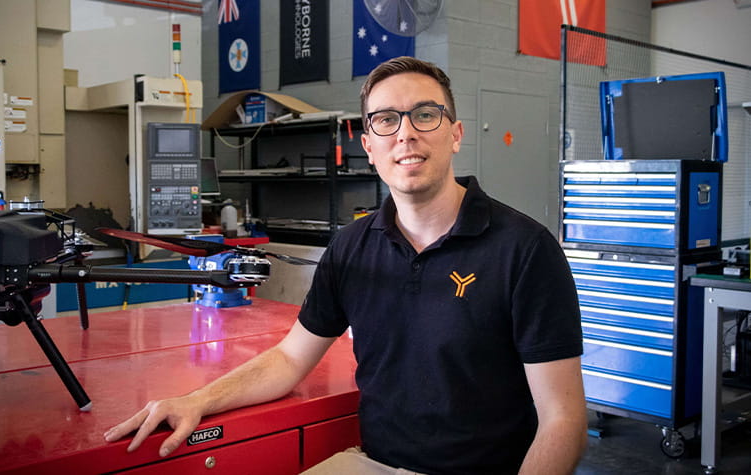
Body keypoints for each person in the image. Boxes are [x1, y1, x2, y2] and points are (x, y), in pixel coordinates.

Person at [105, 56, 587, 474]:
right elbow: (291, 359)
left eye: (425, 115)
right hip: (374, 463)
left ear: (456, 134)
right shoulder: (352, 247)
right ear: (368, 145)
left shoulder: (524, 249)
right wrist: (197, 400)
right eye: (386, 121)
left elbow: (562, 419)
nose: (407, 134)